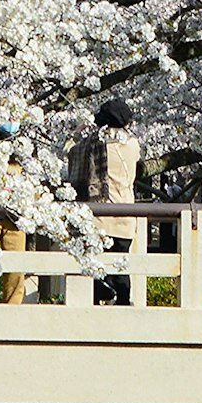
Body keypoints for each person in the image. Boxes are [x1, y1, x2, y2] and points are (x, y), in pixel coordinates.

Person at [70, 99, 141, 299]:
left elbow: (70, 152)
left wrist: (77, 131)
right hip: (126, 216)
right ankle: (124, 306)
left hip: (99, 216)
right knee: (121, 267)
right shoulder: (133, 144)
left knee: (97, 268)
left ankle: (101, 305)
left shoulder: (92, 144)